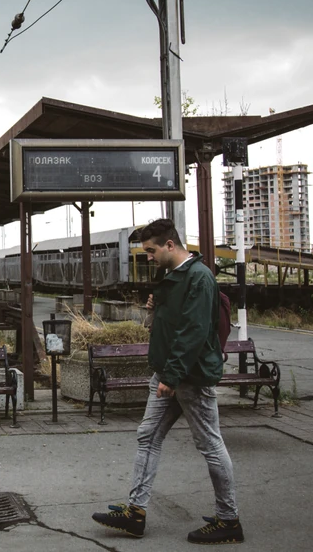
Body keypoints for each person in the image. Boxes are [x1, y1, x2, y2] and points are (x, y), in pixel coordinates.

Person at [91, 219, 241, 545]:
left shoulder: (199, 278)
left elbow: (193, 332)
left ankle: (229, 520)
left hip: (189, 376)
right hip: (168, 373)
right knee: (148, 436)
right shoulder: (173, 277)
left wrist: (171, 377)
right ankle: (135, 512)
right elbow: (171, 325)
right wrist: (155, 309)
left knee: (210, 445)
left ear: (170, 245)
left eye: (151, 251)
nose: (148, 257)